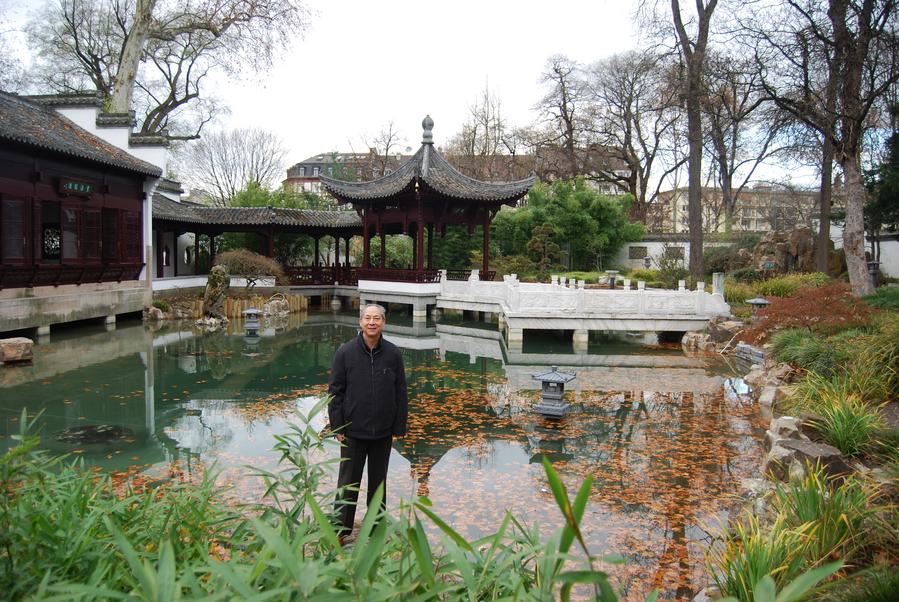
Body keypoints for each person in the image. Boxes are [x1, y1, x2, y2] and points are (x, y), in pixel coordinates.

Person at [328, 303, 408, 536]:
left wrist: (399, 426)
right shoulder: (345, 352)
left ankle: (376, 528)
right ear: (360, 322)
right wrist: (338, 427)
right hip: (352, 431)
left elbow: (400, 391)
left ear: (383, 322)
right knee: (348, 483)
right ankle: (341, 530)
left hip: (383, 432)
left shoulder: (393, 353)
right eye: (368, 318)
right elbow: (335, 392)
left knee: (378, 483)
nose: (372, 322)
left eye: (377, 318)